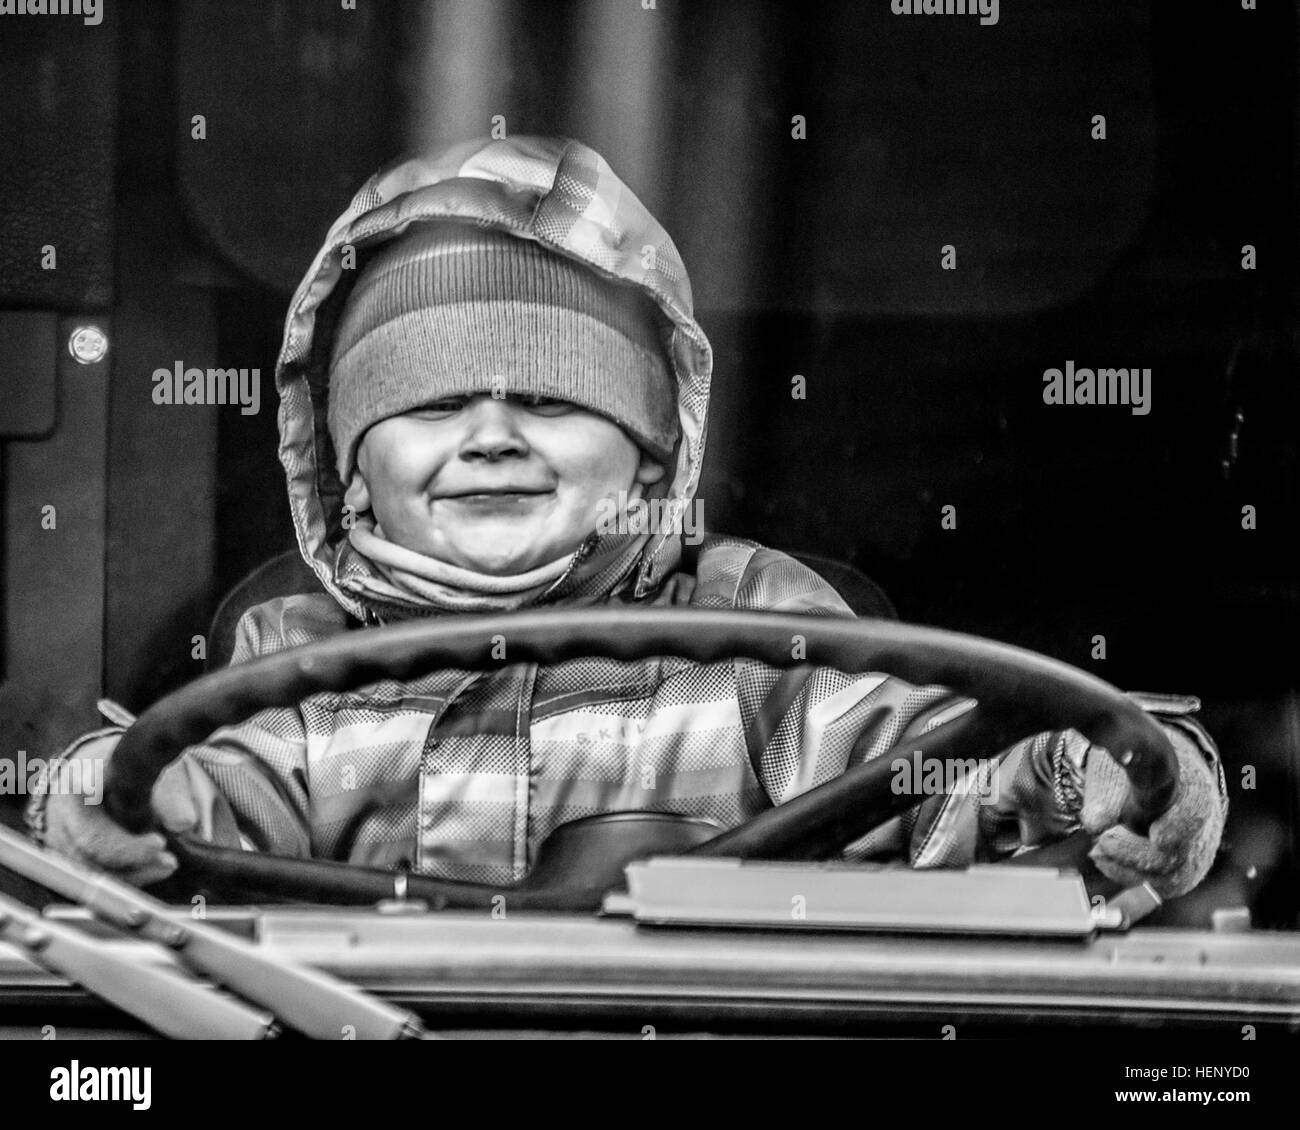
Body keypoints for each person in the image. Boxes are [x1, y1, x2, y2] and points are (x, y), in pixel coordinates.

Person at [29, 135, 1227, 898]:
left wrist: (1101, 774)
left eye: (550, 397)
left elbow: (934, 771)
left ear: (653, 447)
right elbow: (194, 789)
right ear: (346, 467)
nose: (490, 434)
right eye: (433, 400)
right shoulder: (287, 665)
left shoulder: (763, 631)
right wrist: (103, 800)